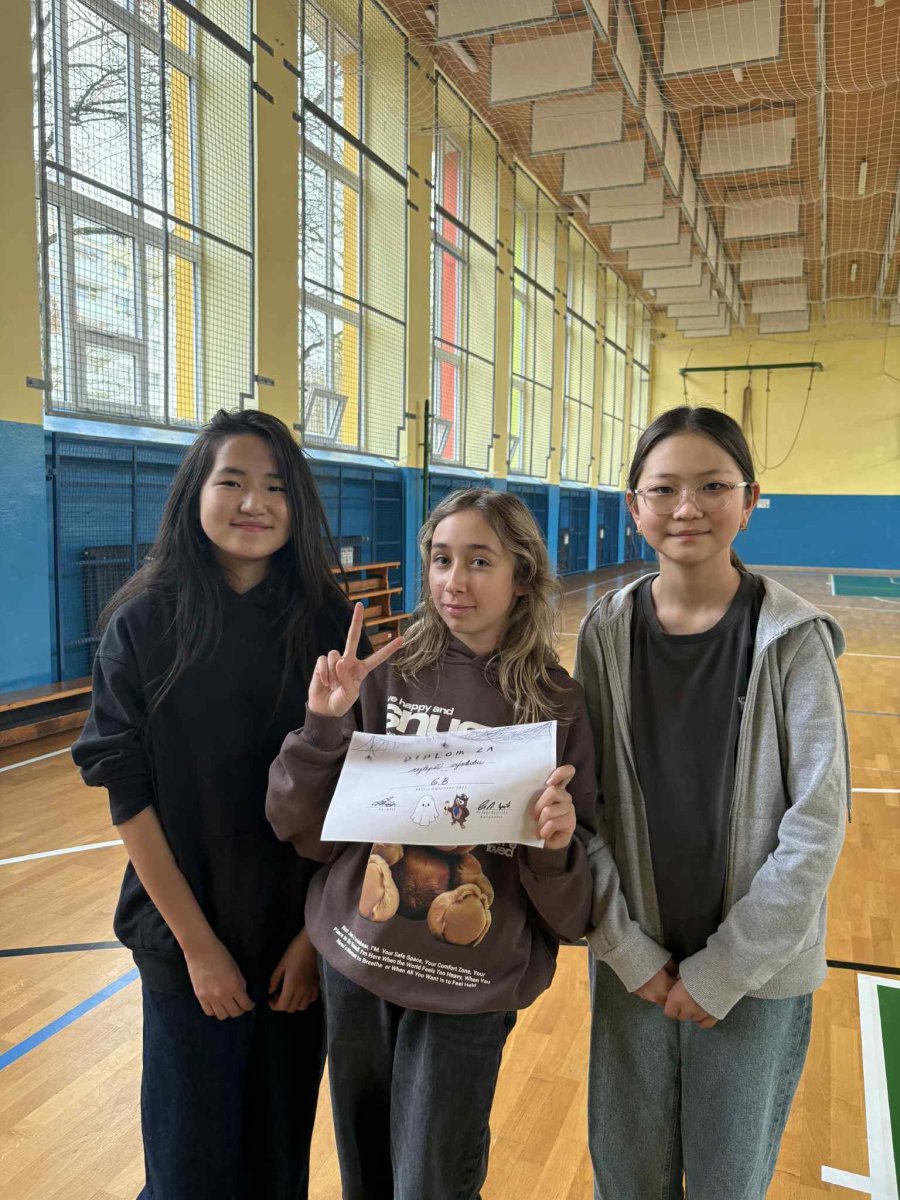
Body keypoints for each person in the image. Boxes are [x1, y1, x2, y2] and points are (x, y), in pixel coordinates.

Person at [267, 488, 597, 1200]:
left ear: (523, 576)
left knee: (433, 1182)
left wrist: (554, 840)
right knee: (366, 1178)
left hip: (469, 986)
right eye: (441, 559)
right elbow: (301, 828)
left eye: (479, 561)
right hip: (359, 965)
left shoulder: (556, 704)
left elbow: (574, 907)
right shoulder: (385, 673)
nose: (455, 581)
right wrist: (323, 725)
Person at [73, 408, 357, 1200]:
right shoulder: (141, 623)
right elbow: (127, 794)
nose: (253, 503)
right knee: (188, 1168)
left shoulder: (331, 625)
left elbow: (356, 792)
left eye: (275, 487)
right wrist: (197, 948)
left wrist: (311, 939)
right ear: (194, 494)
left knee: (276, 1164)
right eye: (231, 481)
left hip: (297, 941)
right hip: (183, 939)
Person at [576, 405, 850, 1199]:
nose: (686, 507)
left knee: (730, 1180)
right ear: (634, 505)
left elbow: (818, 821)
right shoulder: (604, 632)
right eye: (663, 489)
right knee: (628, 1175)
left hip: (755, 970)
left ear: (750, 499)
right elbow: (584, 805)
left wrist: (726, 968)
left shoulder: (794, 638)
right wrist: (627, 952)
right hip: (636, 964)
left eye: (712, 486)